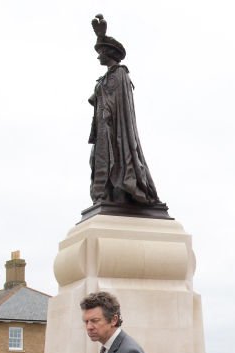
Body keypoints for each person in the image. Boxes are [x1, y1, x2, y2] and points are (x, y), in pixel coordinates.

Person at [87, 14, 163, 208]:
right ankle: (106, 194)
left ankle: (122, 192)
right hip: (102, 128)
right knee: (99, 160)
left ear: (110, 54)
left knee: (118, 156)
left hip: (115, 128)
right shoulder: (104, 79)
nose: (98, 56)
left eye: (101, 51)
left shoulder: (120, 74)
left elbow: (119, 103)